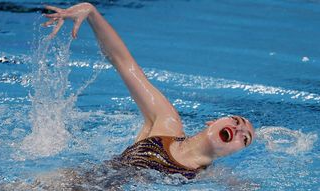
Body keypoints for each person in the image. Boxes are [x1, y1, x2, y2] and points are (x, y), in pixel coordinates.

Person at [42, 2, 255, 180]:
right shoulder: (167, 126)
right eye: (236, 121)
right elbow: (124, 63)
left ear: (234, 152)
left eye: (244, 139)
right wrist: (91, 12)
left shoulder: (209, 176)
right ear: (212, 122)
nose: (238, 131)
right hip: (78, 179)